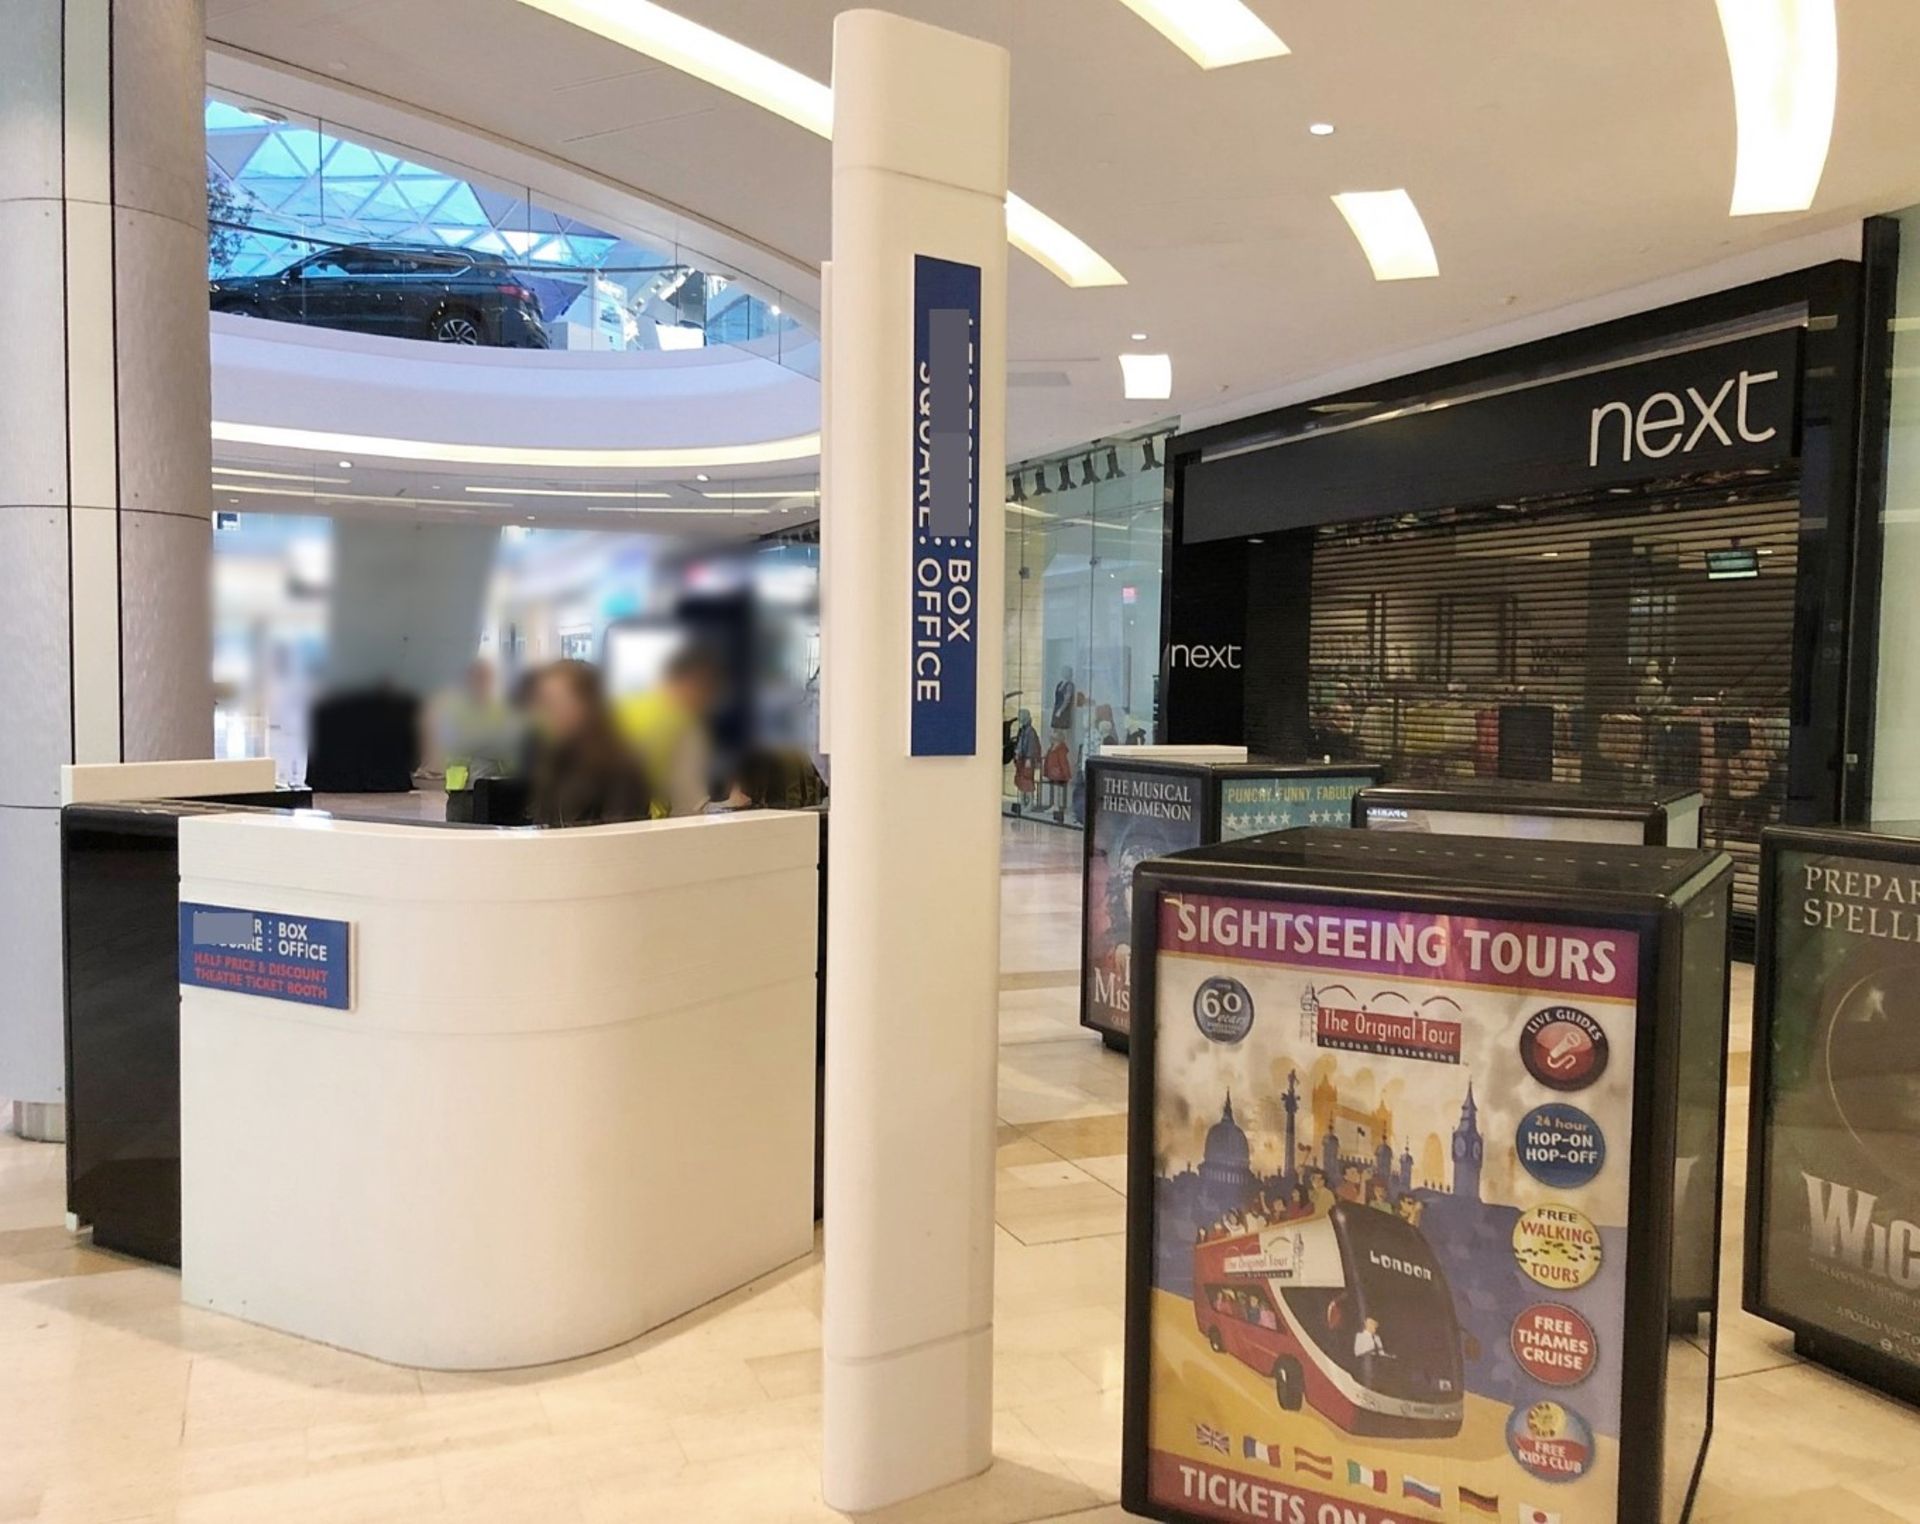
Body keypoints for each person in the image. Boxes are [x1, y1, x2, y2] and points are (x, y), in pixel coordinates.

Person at [523, 660, 650, 828]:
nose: (546, 712)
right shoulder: (557, 761)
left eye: (556, 701)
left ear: (588, 704)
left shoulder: (621, 770)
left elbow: (616, 844)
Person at [618, 645, 724, 818]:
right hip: (649, 827)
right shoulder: (685, 726)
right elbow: (690, 805)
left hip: (599, 826)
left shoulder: (628, 706)